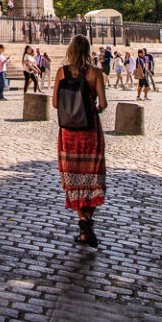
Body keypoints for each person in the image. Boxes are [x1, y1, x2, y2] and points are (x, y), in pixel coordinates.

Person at [53, 34, 107, 247]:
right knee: (93, 177)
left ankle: (82, 222)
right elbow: (102, 103)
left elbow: (56, 103)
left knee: (72, 178)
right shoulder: (95, 74)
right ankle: (87, 221)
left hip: (68, 132)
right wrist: (91, 107)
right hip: (89, 130)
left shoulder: (61, 72)